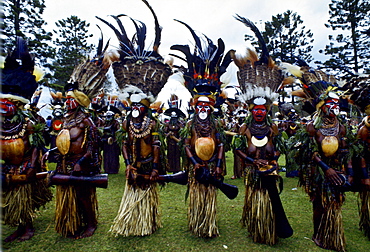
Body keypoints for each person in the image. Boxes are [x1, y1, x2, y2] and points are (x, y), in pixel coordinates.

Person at [99, 0, 172, 236]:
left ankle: (147, 222)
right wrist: (128, 163)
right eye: (133, 107)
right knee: (132, 190)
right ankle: (131, 223)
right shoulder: (128, 122)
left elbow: (157, 144)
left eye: (139, 107)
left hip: (149, 164)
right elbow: (123, 142)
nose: (136, 110)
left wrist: (155, 167)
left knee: (147, 192)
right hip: (134, 165)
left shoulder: (152, 123)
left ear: (145, 106)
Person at [232, 15, 293, 245]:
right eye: (255, 110)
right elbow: (237, 148)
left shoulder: (274, 127)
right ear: (251, 109)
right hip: (253, 173)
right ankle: (257, 228)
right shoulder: (245, 127)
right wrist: (250, 160)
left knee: (270, 200)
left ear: (267, 110)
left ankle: (271, 228)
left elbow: (280, 147)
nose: (259, 113)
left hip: (270, 172)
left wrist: (274, 160)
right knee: (256, 197)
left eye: (262, 110)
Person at [42, 33, 110, 238]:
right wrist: (51, 152)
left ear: (79, 102)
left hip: (82, 165)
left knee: (82, 196)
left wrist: (82, 161)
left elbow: (93, 146)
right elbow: (62, 141)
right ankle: (71, 224)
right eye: (67, 99)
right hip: (65, 163)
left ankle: (90, 223)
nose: (67, 102)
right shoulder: (64, 119)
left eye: (71, 99)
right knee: (67, 194)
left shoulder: (85, 121)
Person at [170, 19, 234, 238]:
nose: (204, 108)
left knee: (210, 193)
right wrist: (196, 163)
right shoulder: (190, 124)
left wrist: (217, 164)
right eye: (201, 105)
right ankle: (197, 223)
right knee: (198, 193)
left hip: (212, 166)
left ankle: (209, 224)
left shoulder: (215, 123)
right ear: (195, 106)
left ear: (212, 106)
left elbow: (221, 144)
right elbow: (187, 146)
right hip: (196, 167)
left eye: (207, 104)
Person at [289, 66, 353, 251]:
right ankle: (318, 234)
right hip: (319, 171)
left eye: (336, 104)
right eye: (329, 104)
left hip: (337, 170)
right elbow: (309, 152)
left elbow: (346, 150)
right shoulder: (312, 127)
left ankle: (332, 233)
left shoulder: (341, 127)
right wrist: (327, 169)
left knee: (335, 201)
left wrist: (346, 172)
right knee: (320, 203)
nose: (333, 107)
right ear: (321, 105)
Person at [1, 37, 52, 242]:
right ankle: (17, 226)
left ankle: (27, 227)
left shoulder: (29, 123)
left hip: (23, 166)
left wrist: (32, 167)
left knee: (23, 198)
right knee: (10, 199)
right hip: (8, 166)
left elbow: (37, 147)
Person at [163, 95, 186, 173]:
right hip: (170, 142)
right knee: (170, 155)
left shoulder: (180, 124)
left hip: (177, 142)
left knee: (176, 156)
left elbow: (182, 134)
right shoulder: (167, 124)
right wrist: (168, 134)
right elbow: (164, 134)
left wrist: (179, 139)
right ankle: (169, 168)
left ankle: (177, 169)